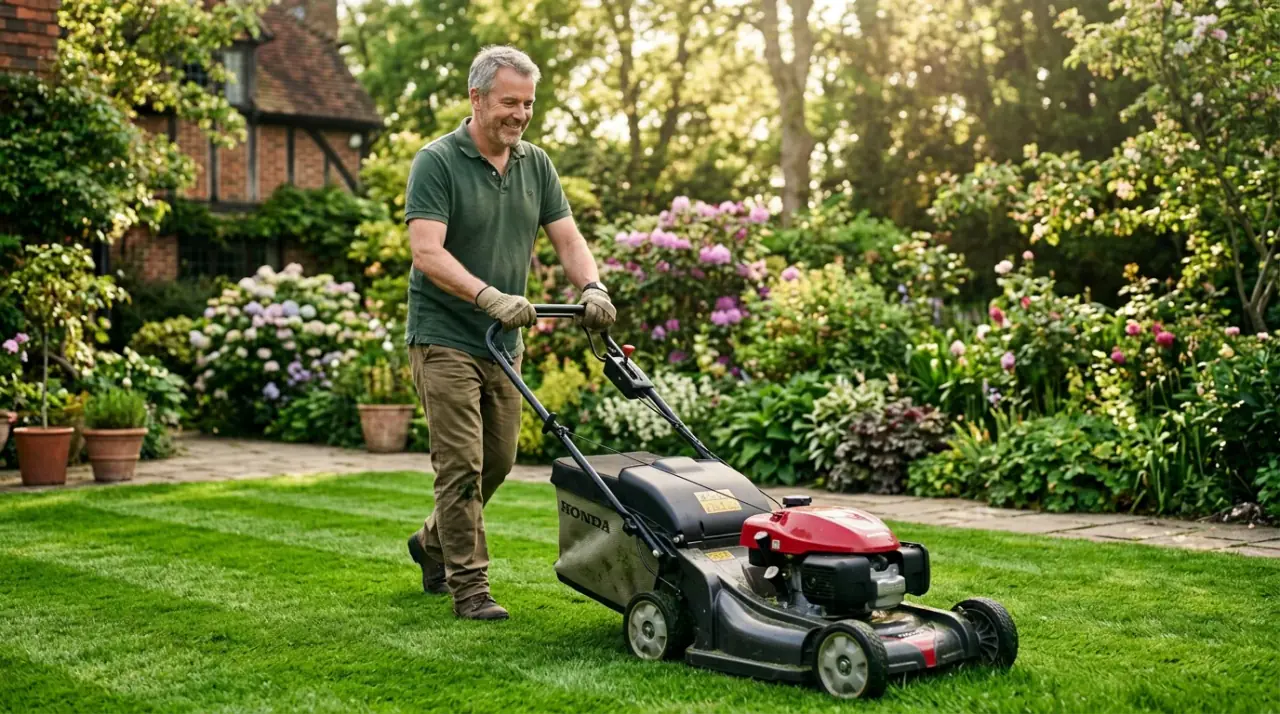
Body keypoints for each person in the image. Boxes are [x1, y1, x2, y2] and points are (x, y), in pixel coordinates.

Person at [402, 45, 616, 621]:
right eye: (508, 103)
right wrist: (487, 296)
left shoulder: (536, 164)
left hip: (502, 344)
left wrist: (593, 287)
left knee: (497, 460)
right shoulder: (437, 162)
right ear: (476, 98)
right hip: (444, 335)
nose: (519, 115)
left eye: (528, 104)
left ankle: (431, 542)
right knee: (461, 466)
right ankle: (469, 587)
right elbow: (426, 252)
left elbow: (568, 238)